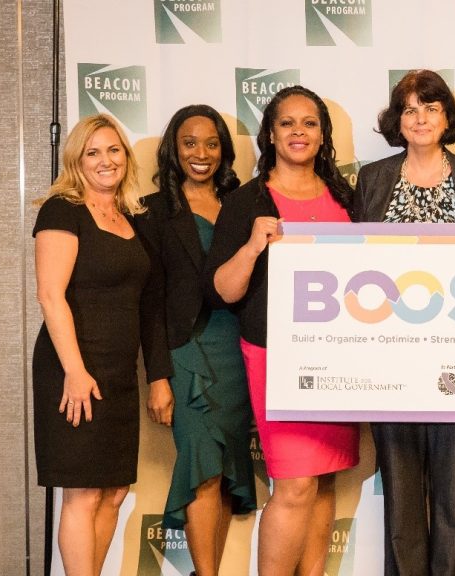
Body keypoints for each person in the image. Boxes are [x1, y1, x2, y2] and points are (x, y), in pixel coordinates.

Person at [203, 86, 359, 576]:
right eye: (287, 123)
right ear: (270, 134)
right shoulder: (246, 202)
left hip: (340, 355)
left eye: (309, 123)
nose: (298, 132)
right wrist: (252, 246)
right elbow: (223, 292)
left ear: (322, 135)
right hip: (277, 357)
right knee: (293, 486)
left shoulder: (344, 197)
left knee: (323, 481)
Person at [353, 69, 455, 576]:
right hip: (389, 360)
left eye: (431, 107)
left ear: (447, 117)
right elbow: (353, 268)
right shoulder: (374, 180)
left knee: (454, 492)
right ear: (398, 120)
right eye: (410, 109)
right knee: (399, 490)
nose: (420, 118)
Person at [32, 113, 171, 576]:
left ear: (126, 157)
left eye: (113, 150)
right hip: (74, 368)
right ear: (77, 160)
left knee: (113, 491)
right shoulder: (62, 210)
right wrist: (73, 370)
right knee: (85, 491)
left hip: (117, 372)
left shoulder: (135, 217)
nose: (105, 160)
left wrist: (157, 376)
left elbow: (150, 305)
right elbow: (50, 294)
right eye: (93, 152)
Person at [136, 104, 256, 576]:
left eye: (211, 143)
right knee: (203, 467)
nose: (200, 153)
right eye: (189, 143)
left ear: (224, 149)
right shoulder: (154, 212)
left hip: (238, 354)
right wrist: (158, 377)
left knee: (225, 473)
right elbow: (151, 302)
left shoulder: (244, 205)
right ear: (174, 149)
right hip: (187, 353)